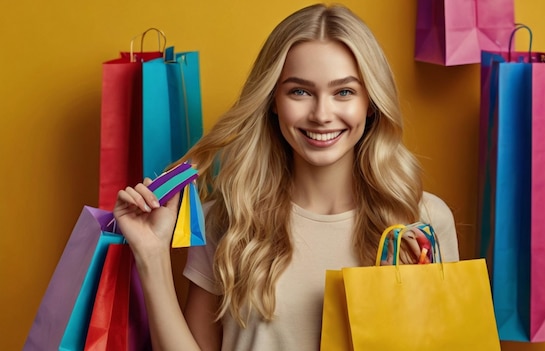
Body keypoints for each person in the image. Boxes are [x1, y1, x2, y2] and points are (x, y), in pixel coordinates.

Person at [114, 3, 459, 350]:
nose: (322, 114)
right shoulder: (227, 219)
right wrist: (152, 254)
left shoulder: (423, 223)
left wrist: (406, 301)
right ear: (273, 100)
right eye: (300, 91)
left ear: (370, 103)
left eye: (344, 92)